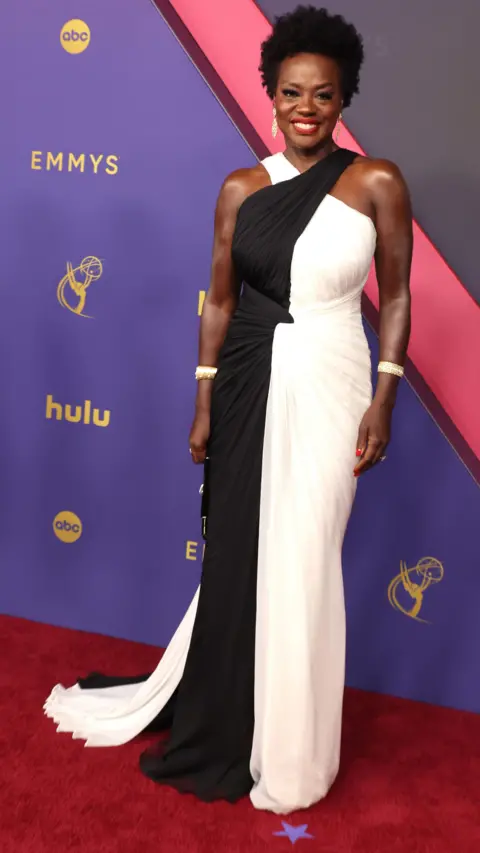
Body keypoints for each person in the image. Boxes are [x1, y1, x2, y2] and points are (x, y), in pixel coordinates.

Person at [45, 5, 412, 814]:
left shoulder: (377, 180)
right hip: (247, 377)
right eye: (290, 93)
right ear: (270, 97)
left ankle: (295, 755)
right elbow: (217, 300)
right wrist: (204, 398)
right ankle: (235, 723)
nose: (305, 108)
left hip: (336, 378)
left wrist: (384, 397)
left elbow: (398, 296)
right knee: (247, 555)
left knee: (307, 557)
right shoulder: (242, 188)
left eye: (322, 94)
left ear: (343, 98)